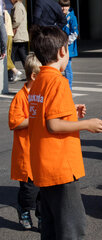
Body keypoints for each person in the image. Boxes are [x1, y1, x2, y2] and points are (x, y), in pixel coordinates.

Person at [28, 25, 102, 239]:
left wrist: (71, 111)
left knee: (52, 225)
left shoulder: (38, 82)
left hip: (43, 164)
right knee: (72, 226)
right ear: (63, 51)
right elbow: (53, 124)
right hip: (61, 166)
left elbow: (44, 114)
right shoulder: (59, 81)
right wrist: (87, 124)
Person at [8, 53, 42, 230]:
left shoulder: (42, 95)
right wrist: (35, 119)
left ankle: (42, 215)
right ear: (34, 76)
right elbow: (15, 122)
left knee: (43, 190)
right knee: (29, 190)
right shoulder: (21, 97)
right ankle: (24, 210)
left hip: (42, 153)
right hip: (26, 153)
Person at [59, 0, 78, 90]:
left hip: (68, 46)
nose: (63, 8)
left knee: (67, 66)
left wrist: (66, 42)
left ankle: (68, 88)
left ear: (69, 6)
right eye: (62, 6)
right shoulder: (59, 16)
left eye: (65, 6)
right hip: (60, 45)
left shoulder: (72, 17)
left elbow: (75, 33)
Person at [10, 0, 29, 80]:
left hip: (17, 35)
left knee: (11, 55)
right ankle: (29, 73)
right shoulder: (20, 5)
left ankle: (12, 74)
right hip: (21, 35)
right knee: (23, 56)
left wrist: (11, 28)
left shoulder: (17, 6)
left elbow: (17, 21)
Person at [4, 7, 22, 82]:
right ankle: (15, 71)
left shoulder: (3, 13)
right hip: (8, 34)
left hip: (6, 35)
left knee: (5, 56)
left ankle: (16, 71)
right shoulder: (5, 12)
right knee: (7, 55)